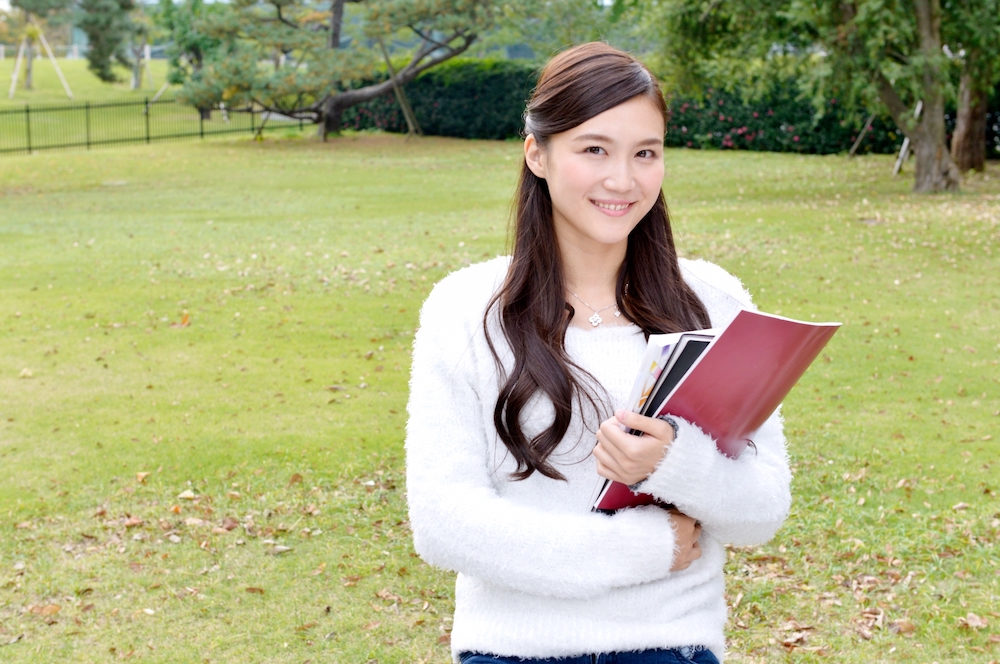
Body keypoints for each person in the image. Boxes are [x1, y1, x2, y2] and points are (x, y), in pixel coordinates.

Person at [405, 42, 791, 664]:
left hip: (671, 647)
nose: (623, 180)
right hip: (511, 651)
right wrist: (642, 551)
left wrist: (674, 463)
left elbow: (761, 512)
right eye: (594, 150)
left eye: (646, 153)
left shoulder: (713, 302)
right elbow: (445, 522)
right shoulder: (466, 307)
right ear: (537, 153)